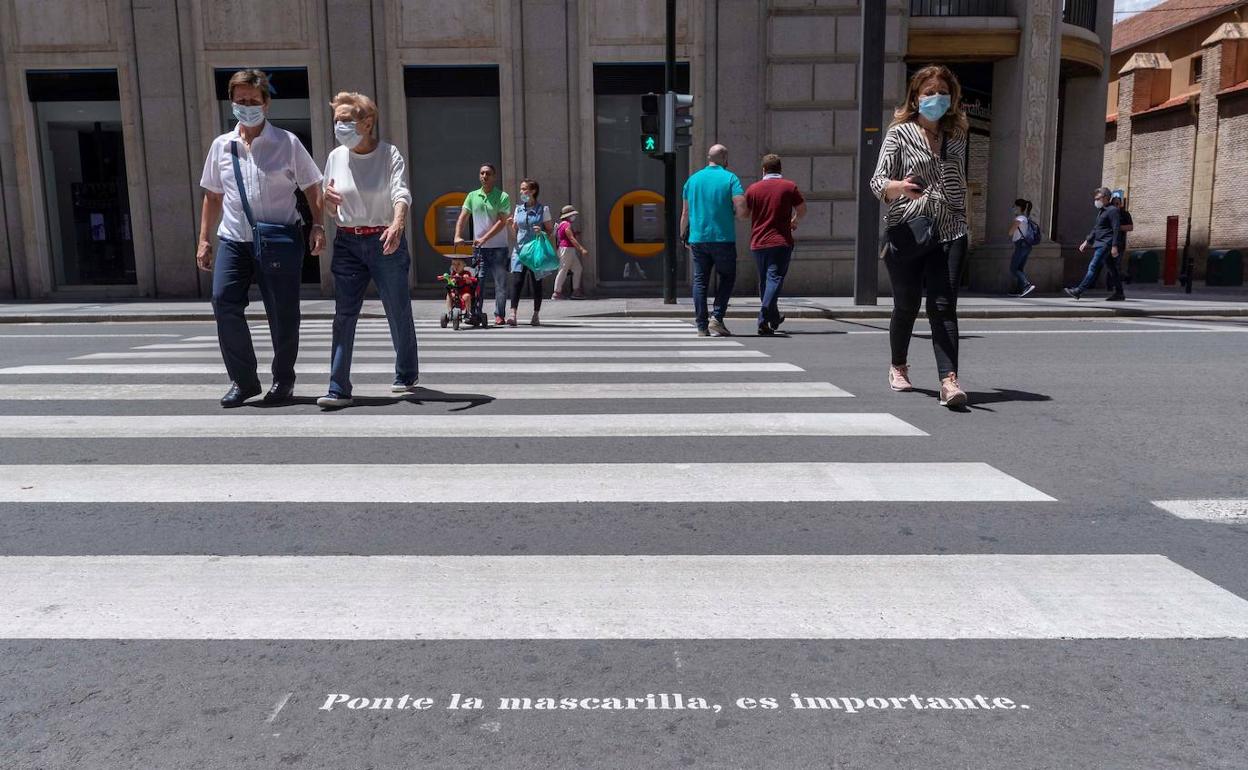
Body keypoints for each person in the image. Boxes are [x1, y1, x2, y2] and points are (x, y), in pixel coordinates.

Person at [196, 69, 324, 408]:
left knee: (283, 313)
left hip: (279, 238)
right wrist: (204, 239)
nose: (247, 106)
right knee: (223, 301)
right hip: (234, 239)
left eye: (253, 101)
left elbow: (313, 186)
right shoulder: (221, 146)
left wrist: (318, 225)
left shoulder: (287, 143)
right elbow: (213, 195)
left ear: (266, 103)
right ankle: (243, 381)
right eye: (241, 100)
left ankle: (283, 379)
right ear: (231, 103)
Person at [869, 63, 970, 410]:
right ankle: (898, 365)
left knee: (943, 306)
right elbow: (877, 182)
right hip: (908, 231)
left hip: (951, 230)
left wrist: (962, 217)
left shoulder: (957, 136)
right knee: (907, 304)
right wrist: (899, 187)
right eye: (929, 93)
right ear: (915, 98)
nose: (936, 98)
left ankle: (949, 381)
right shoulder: (899, 134)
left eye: (943, 93)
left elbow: (958, 182)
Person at [315, 91, 417, 410]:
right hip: (347, 242)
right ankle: (338, 387)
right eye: (336, 121)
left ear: (367, 122)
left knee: (397, 308)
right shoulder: (335, 156)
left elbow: (401, 193)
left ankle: (406, 371)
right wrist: (327, 202)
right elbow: (331, 205)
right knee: (344, 315)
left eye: (346, 120)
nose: (339, 127)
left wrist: (398, 224)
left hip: (384, 239)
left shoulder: (389, 154)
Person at [681, 144, 747, 337]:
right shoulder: (730, 178)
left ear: (708, 158)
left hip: (698, 238)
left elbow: (685, 212)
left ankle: (701, 326)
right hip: (723, 237)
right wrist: (741, 215)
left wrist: (683, 235)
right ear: (725, 158)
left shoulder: (692, 180)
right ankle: (717, 318)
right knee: (727, 277)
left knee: (700, 280)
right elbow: (740, 204)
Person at [745, 153, 806, 335]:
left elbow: (745, 214)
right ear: (780, 169)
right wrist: (794, 221)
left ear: (763, 170)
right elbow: (802, 209)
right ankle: (764, 317)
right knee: (774, 279)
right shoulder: (789, 187)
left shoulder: (753, 189)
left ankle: (773, 317)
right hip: (780, 241)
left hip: (758, 242)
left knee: (765, 281)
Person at [454, 164, 511, 325]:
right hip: (479, 249)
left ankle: (499, 314)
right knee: (477, 283)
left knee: (500, 284)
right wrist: (457, 235)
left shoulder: (502, 196)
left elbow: (502, 222)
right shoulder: (472, 196)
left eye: (488, 173)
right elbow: (463, 216)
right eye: (482, 173)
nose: (484, 176)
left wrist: (484, 238)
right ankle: (476, 314)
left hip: (499, 248)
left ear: (494, 177)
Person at [507, 178, 554, 326]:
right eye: (521, 189)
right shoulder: (518, 209)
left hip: (535, 251)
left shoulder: (543, 210)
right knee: (517, 281)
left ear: (533, 191)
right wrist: (510, 225)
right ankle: (513, 314)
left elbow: (550, 231)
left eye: (524, 189)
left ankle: (536, 314)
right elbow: (514, 233)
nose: (521, 192)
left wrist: (542, 232)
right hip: (520, 250)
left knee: (536, 283)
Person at [1066, 187, 1123, 301]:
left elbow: (1116, 228)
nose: (1096, 201)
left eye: (1098, 198)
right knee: (1112, 269)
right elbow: (1096, 228)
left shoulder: (1113, 211)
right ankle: (1119, 293)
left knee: (1093, 266)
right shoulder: (1102, 211)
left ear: (1106, 198)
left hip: (1105, 244)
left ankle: (1079, 291)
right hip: (1100, 242)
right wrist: (1087, 241)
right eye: (1095, 198)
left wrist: (1114, 246)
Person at [551, 205, 588, 300]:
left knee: (577, 268)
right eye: (572, 215)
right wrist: (581, 249)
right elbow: (571, 238)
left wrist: (575, 234)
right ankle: (557, 292)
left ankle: (576, 291)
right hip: (567, 249)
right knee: (563, 270)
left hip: (565, 249)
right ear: (568, 216)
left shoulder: (561, 224)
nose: (574, 217)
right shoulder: (567, 225)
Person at [438, 256, 478, 328]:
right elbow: (450, 283)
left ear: (464, 265)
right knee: (449, 295)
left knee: (467, 296)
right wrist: (450, 280)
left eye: (458, 264)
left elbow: (470, 281)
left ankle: (468, 313)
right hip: (456, 294)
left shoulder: (467, 273)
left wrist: (467, 279)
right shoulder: (453, 274)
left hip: (464, 293)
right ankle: (450, 312)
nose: (456, 266)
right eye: (454, 264)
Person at [1008, 198, 1036, 297]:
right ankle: (1020, 289)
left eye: (1014, 206)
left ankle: (1026, 285)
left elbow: (1010, 232)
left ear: (1019, 207)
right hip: (1026, 246)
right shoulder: (1025, 218)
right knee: (1019, 268)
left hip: (1020, 245)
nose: (1013, 208)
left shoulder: (1019, 218)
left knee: (1013, 268)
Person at [1111, 190, 1132, 295]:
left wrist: (1117, 227)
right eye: (1114, 203)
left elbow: (1130, 227)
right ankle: (1110, 286)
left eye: (1118, 203)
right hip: (1108, 244)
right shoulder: (1109, 213)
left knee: (1116, 266)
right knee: (1109, 265)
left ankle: (1119, 285)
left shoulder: (1125, 214)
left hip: (1119, 244)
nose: (1116, 205)